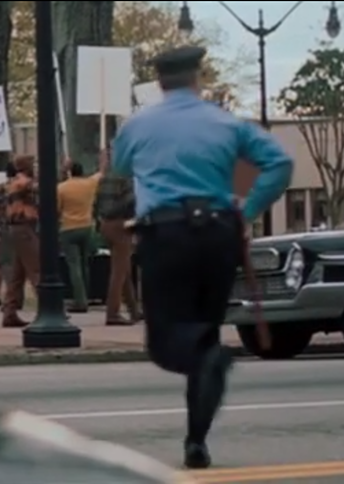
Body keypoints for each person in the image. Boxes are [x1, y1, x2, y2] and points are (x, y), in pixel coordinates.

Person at [112, 45, 292, 469]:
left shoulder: (137, 125)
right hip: (218, 233)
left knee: (165, 339)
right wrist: (248, 209)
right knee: (205, 333)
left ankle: (207, 360)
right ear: (198, 78)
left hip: (165, 233)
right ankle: (196, 439)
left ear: (159, 82)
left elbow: (119, 165)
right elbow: (280, 162)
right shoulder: (226, 122)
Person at [0, 155, 40, 327]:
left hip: (13, 229)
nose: (35, 167)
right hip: (24, 227)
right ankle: (48, 308)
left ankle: (10, 311)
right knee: (37, 269)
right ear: (26, 167)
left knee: (17, 274)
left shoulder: (6, 185)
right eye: (33, 164)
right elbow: (35, 188)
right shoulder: (22, 182)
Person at [95, 148, 142, 325]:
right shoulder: (127, 177)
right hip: (121, 223)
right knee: (119, 272)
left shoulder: (105, 177)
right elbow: (130, 200)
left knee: (124, 268)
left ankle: (134, 310)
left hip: (106, 223)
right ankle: (113, 313)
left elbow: (96, 202)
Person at [57, 162, 104, 313]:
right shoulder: (90, 184)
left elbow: (57, 209)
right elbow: (100, 174)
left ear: (69, 172)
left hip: (68, 228)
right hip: (87, 226)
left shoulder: (62, 188)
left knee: (74, 265)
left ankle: (80, 300)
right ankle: (87, 295)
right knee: (85, 264)